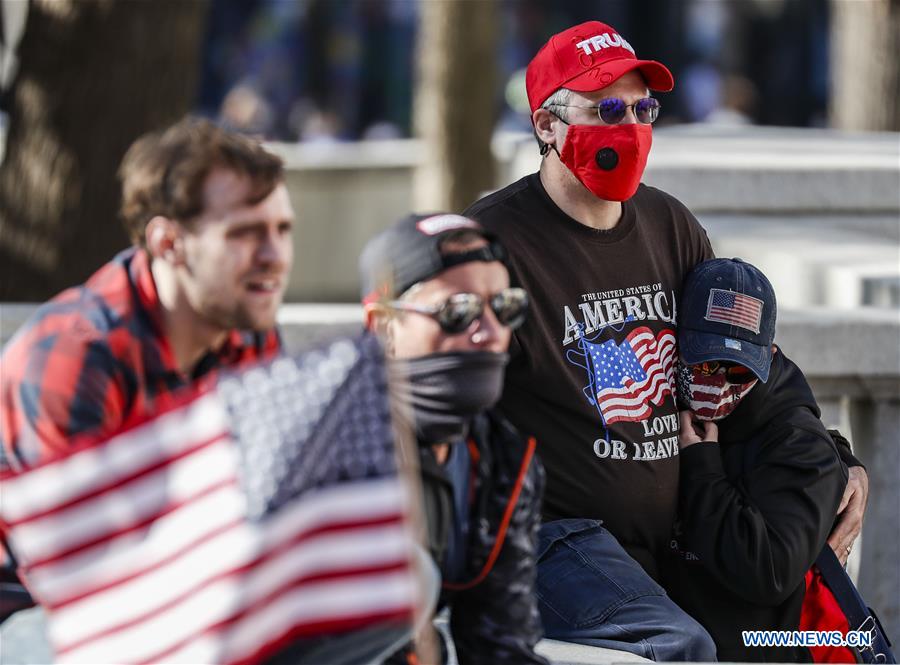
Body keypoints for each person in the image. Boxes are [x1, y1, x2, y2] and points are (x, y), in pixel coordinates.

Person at [463, 19, 868, 661]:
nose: (628, 127)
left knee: (811, 638)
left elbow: (747, 362)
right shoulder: (490, 243)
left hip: (676, 537)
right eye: (606, 109)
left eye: (641, 108)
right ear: (546, 125)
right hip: (552, 541)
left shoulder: (669, 224)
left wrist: (834, 458)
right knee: (676, 646)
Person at [0, 117, 414, 664]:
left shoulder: (244, 326)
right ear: (169, 243)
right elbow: (80, 589)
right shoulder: (73, 357)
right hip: (40, 618)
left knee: (399, 594)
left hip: (183, 594)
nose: (275, 256)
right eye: (245, 233)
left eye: (283, 229)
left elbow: (265, 505)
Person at [359, 212, 548, 664]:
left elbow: (501, 645)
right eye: (456, 311)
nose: (488, 333)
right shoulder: (336, 454)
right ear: (383, 326)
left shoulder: (501, 459)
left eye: (504, 307)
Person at [665, 257, 851, 662]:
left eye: (739, 372)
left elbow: (768, 572)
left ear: (769, 356)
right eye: (707, 363)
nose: (718, 382)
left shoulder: (801, 447)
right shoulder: (664, 394)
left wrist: (702, 467)